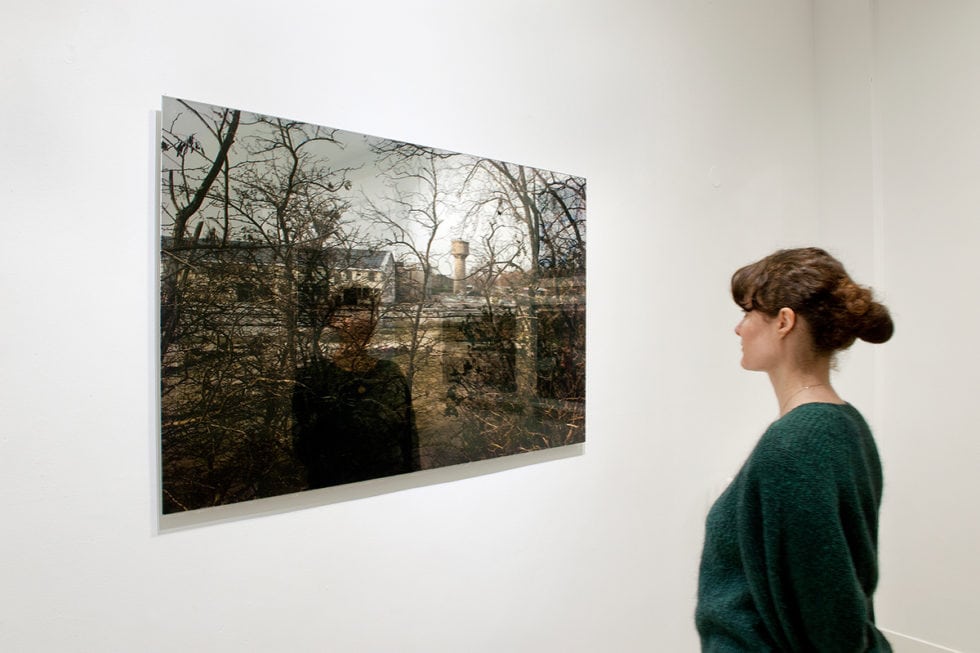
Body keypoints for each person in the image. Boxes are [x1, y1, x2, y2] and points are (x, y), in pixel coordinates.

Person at [696, 247, 894, 652]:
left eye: (748, 312)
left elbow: (828, 618)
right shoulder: (846, 423)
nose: (739, 329)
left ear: (784, 321)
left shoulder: (794, 445)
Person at [292, 303, 419, 488]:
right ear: (333, 321)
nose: (361, 320)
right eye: (350, 312)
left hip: (387, 485)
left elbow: (408, 435)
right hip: (336, 488)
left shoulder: (389, 372)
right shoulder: (314, 377)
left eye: (368, 313)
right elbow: (303, 445)